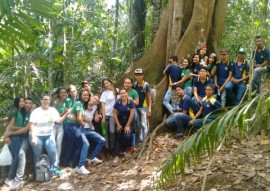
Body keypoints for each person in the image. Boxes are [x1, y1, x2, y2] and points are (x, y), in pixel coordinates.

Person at [29, 94, 70, 178]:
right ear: (41, 100)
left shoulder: (52, 110)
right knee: (37, 154)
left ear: (50, 101)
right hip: (37, 135)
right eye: (44, 99)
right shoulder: (36, 111)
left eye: (48, 100)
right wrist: (33, 137)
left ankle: (53, 170)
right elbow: (31, 125)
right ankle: (39, 174)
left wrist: (66, 114)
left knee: (53, 152)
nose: (46, 101)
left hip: (48, 135)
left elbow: (58, 121)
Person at [4, 98, 34, 189]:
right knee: (16, 156)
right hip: (16, 137)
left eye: (29, 103)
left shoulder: (28, 113)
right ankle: (9, 178)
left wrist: (9, 134)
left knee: (20, 155)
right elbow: (11, 126)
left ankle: (17, 177)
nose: (26, 104)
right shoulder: (17, 111)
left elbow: (25, 129)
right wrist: (7, 136)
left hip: (24, 137)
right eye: (24, 102)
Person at [64, 89, 90, 174]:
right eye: (84, 95)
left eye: (87, 95)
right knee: (81, 145)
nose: (86, 96)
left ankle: (69, 165)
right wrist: (82, 124)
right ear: (80, 96)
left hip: (70, 126)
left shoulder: (80, 104)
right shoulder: (79, 104)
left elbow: (77, 116)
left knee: (74, 146)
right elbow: (79, 119)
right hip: (73, 127)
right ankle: (78, 166)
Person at [81, 95, 105, 164]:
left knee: (102, 140)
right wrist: (88, 120)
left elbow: (96, 120)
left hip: (90, 129)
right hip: (81, 129)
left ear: (97, 103)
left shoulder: (95, 107)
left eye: (97, 100)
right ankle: (82, 162)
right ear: (91, 97)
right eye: (94, 98)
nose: (94, 100)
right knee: (85, 144)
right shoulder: (83, 104)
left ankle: (92, 157)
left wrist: (99, 116)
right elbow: (80, 117)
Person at [113, 88, 135, 163]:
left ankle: (124, 150)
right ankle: (116, 155)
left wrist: (127, 125)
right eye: (121, 93)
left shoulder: (130, 102)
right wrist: (118, 124)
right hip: (120, 121)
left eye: (124, 93)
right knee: (118, 136)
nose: (123, 95)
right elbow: (114, 114)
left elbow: (132, 115)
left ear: (126, 94)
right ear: (119, 95)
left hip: (129, 122)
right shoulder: (117, 102)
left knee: (127, 136)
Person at [132, 68, 152, 145]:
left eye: (139, 75)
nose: (138, 77)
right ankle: (140, 140)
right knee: (138, 124)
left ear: (142, 76)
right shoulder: (134, 85)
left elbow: (149, 97)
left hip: (144, 107)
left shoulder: (146, 85)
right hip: (136, 107)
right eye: (136, 75)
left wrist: (149, 109)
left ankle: (145, 140)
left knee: (144, 124)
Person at [100, 78, 118, 155]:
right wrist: (103, 117)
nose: (107, 84)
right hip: (106, 114)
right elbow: (102, 106)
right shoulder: (104, 93)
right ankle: (106, 149)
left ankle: (112, 148)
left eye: (107, 82)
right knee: (105, 133)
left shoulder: (116, 90)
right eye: (105, 84)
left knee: (112, 131)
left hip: (113, 115)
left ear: (110, 82)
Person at [52, 87, 68, 165]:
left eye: (65, 92)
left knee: (59, 143)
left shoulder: (67, 102)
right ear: (59, 94)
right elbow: (55, 115)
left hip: (62, 125)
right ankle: (52, 161)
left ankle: (57, 162)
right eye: (62, 92)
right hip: (54, 125)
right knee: (53, 143)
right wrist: (64, 113)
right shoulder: (55, 102)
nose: (63, 94)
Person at [124, 77, 139, 150]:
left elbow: (137, 103)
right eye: (125, 83)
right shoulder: (122, 91)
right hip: (123, 113)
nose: (126, 84)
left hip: (132, 112)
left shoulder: (134, 92)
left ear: (131, 84)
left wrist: (129, 98)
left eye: (128, 83)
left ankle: (133, 145)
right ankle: (124, 146)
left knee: (132, 128)